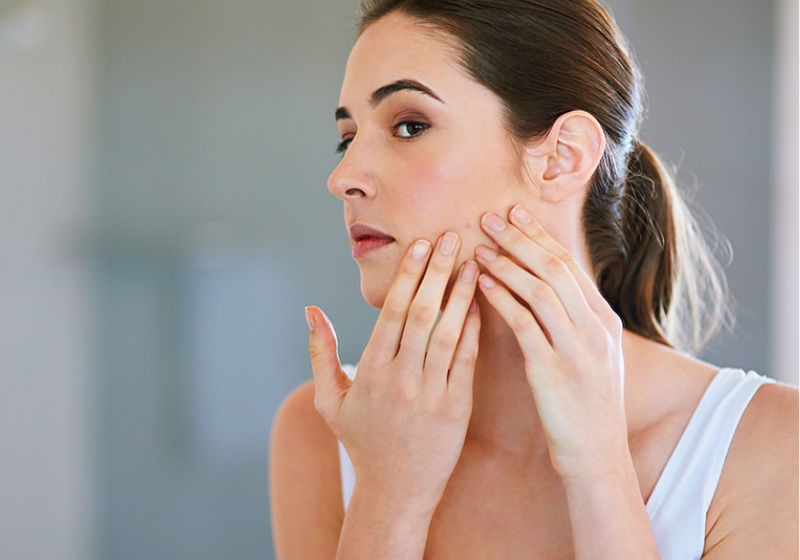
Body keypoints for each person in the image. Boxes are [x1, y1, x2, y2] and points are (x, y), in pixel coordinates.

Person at [269, 0, 799, 558]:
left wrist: (599, 468)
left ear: (562, 157)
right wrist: (386, 495)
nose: (343, 177)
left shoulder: (768, 447)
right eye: (347, 136)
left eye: (409, 126)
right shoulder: (324, 432)